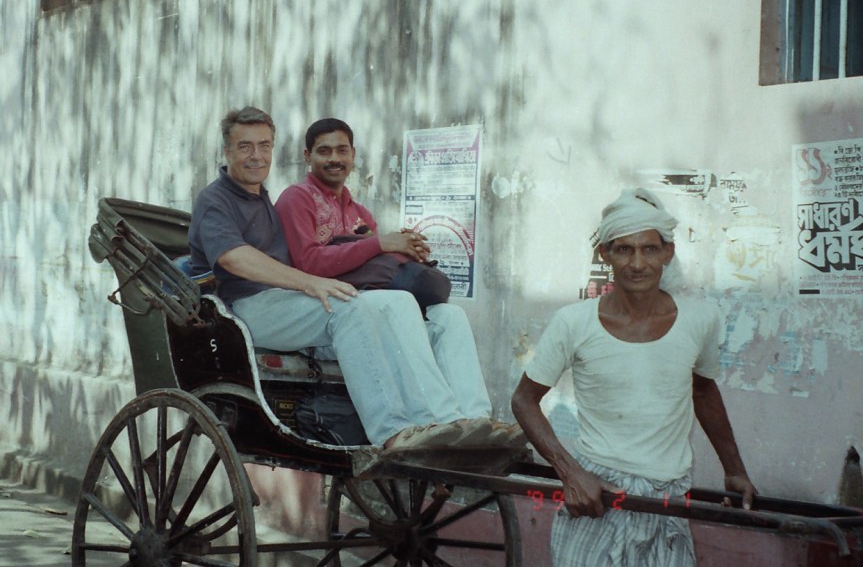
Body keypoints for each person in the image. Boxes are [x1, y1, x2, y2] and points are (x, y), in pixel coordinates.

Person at [188, 107, 499, 451]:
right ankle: (395, 429)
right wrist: (309, 281)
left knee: (426, 310)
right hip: (247, 308)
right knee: (351, 308)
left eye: (264, 146)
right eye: (245, 147)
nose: (256, 155)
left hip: (289, 306)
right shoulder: (216, 199)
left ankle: (464, 420)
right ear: (227, 151)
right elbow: (234, 257)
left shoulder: (262, 199)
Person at [511, 188, 757, 566]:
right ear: (604, 254)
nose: (637, 263)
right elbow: (524, 400)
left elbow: (703, 390)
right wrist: (569, 473)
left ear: (668, 253)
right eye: (624, 249)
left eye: (649, 249)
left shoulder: (700, 319)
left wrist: (734, 469)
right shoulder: (574, 322)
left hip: (668, 498)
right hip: (596, 495)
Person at [274, 117, 518, 440]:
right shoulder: (297, 198)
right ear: (307, 156)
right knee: (399, 302)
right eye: (324, 151)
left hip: (372, 311)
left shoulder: (358, 211)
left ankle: (475, 420)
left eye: (342, 150)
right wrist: (379, 243)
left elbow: (377, 268)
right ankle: (441, 421)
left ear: (353, 155)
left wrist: (407, 251)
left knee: (449, 316)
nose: (334, 158)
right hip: (327, 321)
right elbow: (308, 263)